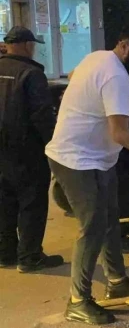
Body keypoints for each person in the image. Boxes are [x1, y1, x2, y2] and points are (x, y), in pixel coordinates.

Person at [45, 24, 129, 325]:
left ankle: (117, 280)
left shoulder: (97, 58)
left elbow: (73, 79)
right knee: (93, 227)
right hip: (77, 160)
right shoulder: (117, 77)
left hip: (98, 159)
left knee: (111, 220)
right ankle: (78, 301)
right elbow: (121, 134)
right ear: (124, 46)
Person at [0, 26, 64, 272]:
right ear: (27, 45)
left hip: (1, 150)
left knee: (4, 200)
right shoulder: (31, 73)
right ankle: (29, 256)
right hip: (26, 149)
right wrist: (54, 144)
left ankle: (5, 253)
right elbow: (41, 115)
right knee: (32, 201)